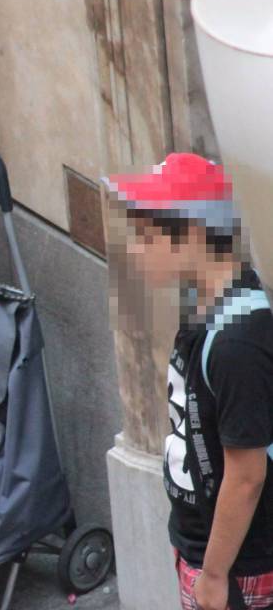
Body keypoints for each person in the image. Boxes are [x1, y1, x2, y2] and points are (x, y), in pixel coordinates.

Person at [108, 153, 273, 610]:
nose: (134, 250)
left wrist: (215, 573)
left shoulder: (238, 343)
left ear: (196, 236)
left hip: (240, 568)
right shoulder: (203, 306)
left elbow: (246, 476)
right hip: (204, 550)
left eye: (146, 236)